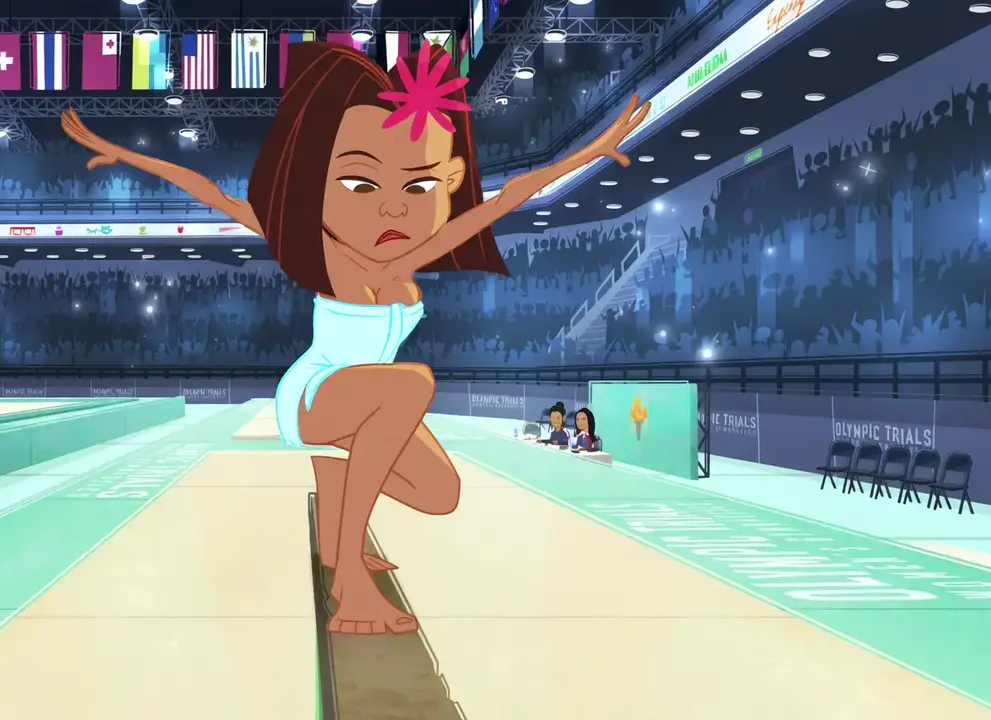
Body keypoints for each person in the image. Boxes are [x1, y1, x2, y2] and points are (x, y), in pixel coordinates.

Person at [61, 40, 648, 635]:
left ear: (448, 181)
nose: (392, 210)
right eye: (362, 186)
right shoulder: (324, 250)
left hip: (367, 398)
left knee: (441, 491)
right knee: (410, 384)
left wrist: (590, 151)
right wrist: (127, 156)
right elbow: (215, 196)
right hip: (316, 391)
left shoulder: (411, 257)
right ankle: (348, 575)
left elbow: (510, 197)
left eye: (417, 189)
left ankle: (338, 497)